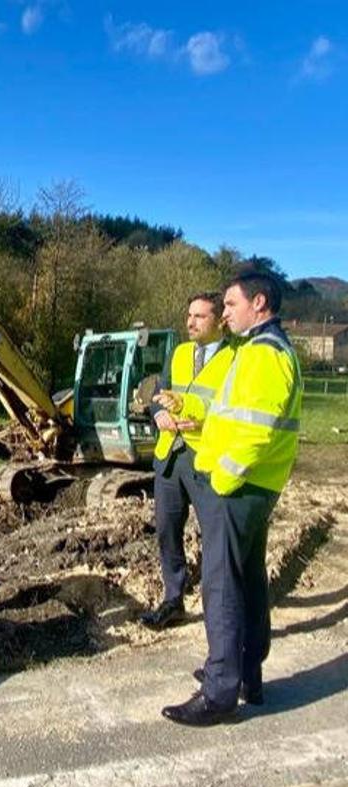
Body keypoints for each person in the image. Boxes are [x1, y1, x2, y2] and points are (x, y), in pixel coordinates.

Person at [159, 266, 302, 726]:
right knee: (247, 579)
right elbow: (233, 415)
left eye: (231, 305)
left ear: (259, 304)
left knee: (221, 586)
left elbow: (257, 432)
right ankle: (247, 675)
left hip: (239, 488)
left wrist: (222, 477)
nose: (226, 313)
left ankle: (219, 690)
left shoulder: (265, 355)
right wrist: (187, 408)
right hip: (251, 487)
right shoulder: (262, 350)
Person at [140, 292, 232, 630]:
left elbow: (237, 410)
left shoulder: (234, 359)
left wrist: (207, 422)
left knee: (215, 538)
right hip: (170, 459)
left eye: (199, 316)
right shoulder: (178, 354)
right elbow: (156, 394)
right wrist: (159, 412)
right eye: (189, 315)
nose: (190, 322)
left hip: (206, 460)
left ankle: (218, 610)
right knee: (167, 532)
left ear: (220, 320)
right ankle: (173, 599)